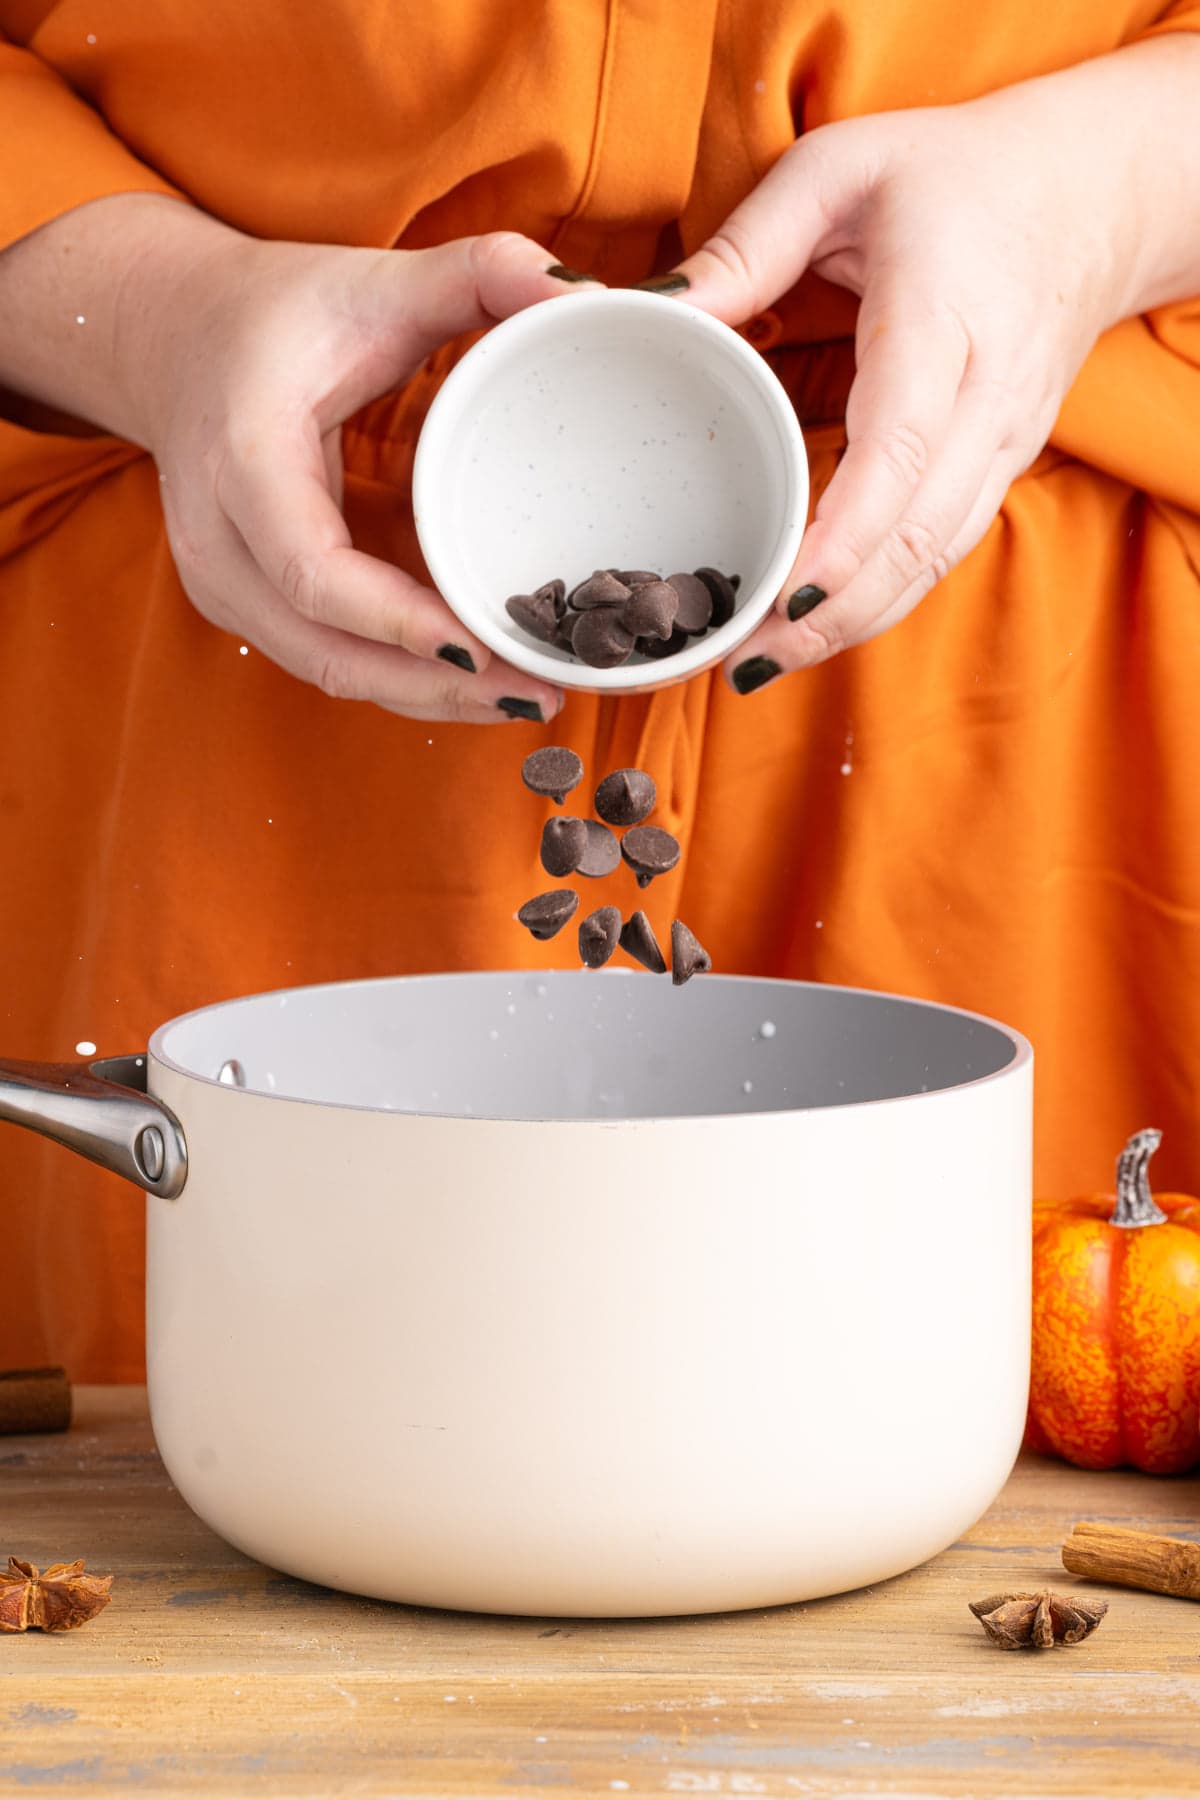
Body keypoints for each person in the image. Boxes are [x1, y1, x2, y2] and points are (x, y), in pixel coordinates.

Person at [0, 3, 1197, 1382]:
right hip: (240, 557)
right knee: (228, 1420)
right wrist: (148, 311)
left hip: (1003, 576)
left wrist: (1099, 195)